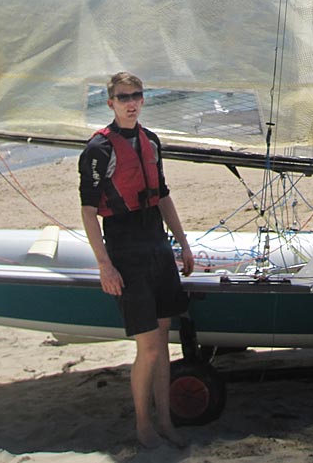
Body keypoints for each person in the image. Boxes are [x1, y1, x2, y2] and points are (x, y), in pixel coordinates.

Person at [78, 72, 194, 449]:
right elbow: (88, 212)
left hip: (157, 247)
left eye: (137, 96)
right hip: (126, 251)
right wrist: (103, 264)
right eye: (123, 97)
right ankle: (143, 426)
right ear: (110, 103)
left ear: (143, 100)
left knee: (163, 343)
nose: (131, 102)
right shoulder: (99, 149)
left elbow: (162, 196)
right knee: (148, 347)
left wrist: (183, 242)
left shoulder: (151, 141)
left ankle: (165, 421)